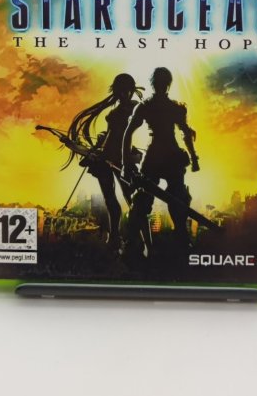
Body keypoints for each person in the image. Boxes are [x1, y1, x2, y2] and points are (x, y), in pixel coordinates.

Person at [121, 67, 200, 259]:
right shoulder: (166, 108)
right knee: (149, 202)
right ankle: (141, 244)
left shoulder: (152, 107)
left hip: (161, 157)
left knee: (173, 202)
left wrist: (126, 164)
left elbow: (128, 133)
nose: (161, 86)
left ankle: (179, 241)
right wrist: (193, 159)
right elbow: (186, 134)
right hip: (165, 156)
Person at [63, 73, 142, 250]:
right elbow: (111, 135)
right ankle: (115, 237)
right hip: (106, 156)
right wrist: (100, 140)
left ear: (131, 90)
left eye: (126, 91)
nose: (123, 94)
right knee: (110, 201)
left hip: (122, 158)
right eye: (120, 90)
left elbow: (127, 132)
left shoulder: (135, 107)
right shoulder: (116, 111)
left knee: (131, 199)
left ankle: (135, 240)